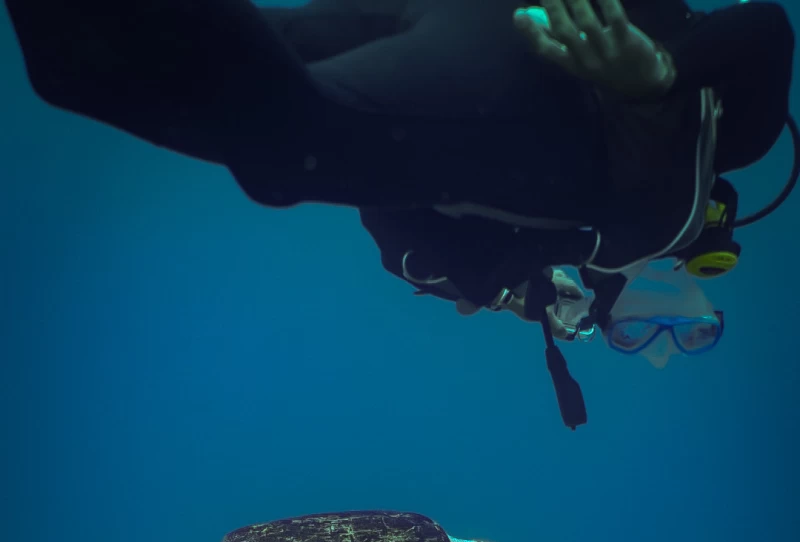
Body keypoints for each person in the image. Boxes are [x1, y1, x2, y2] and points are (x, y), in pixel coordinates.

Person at [4, 0, 796, 423]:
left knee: (89, 70)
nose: (656, 343)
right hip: (515, 60)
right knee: (287, 140)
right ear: (706, 275)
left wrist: (489, 279)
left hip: (440, 29)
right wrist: (655, 80)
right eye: (692, 329)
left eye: (631, 339)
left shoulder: (552, 247)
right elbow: (766, 27)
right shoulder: (702, 175)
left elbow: (397, 221)